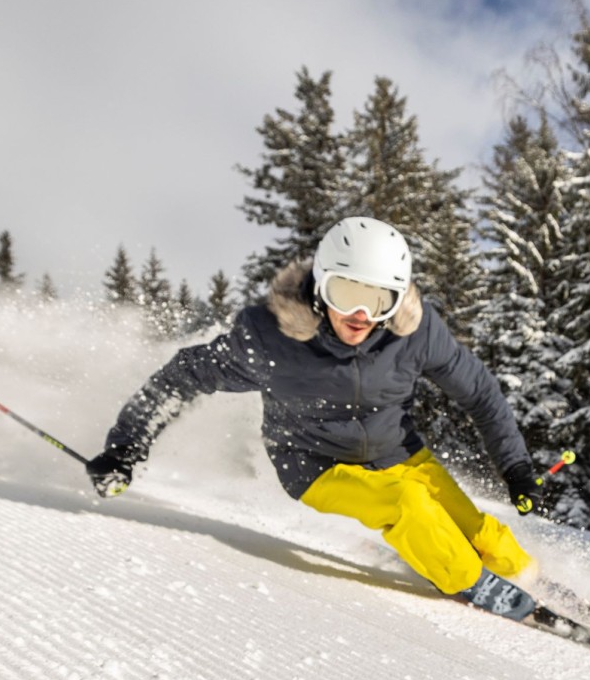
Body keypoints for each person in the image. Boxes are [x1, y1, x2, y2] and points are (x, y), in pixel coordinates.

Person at [86, 216, 545, 615]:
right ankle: (465, 581)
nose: (361, 315)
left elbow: (481, 392)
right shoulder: (272, 339)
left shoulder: (416, 333)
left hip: (397, 451)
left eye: (379, 299)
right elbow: (183, 376)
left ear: (398, 299)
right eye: (346, 293)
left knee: (484, 533)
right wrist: (126, 444)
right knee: (408, 505)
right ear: (321, 288)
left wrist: (516, 467)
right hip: (316, 464)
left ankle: (523, 577)